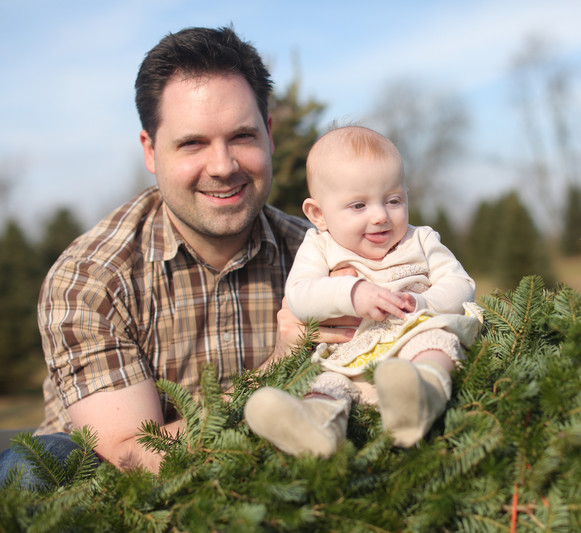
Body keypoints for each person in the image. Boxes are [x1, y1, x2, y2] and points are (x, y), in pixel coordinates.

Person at [0, 26, 356, 486]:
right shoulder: (93, 279)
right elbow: (127, 455)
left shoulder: (322, 254)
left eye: (242, 136)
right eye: (193, 143)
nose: (224, 166)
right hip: (107, 498)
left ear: (269, 135)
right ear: (151, 151)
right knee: (32, 469)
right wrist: (279, 367)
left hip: (287, 488)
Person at [243, 126, 482, 457]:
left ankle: (419, 397)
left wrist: (423, 302)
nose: (381, 216)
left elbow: (461, 285)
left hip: (415, 332)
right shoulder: (320, 247)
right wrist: (351, 293)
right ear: (318, 214)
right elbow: (299, 295)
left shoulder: (421, 240)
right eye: (358, 206)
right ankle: (316, 429)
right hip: (351, 353)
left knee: (434, 343)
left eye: (393, 200)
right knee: (326, 384)